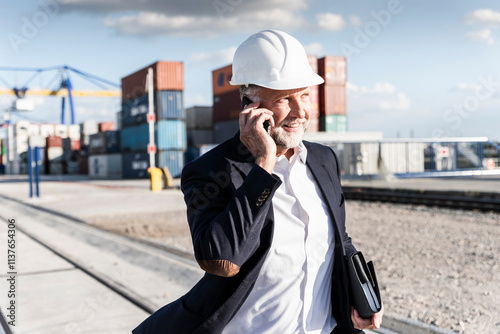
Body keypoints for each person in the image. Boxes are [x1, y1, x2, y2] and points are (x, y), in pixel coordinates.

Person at [133, 29, 384, 334]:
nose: (301, 112)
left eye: (304, 95)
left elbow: (339, 241)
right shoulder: (210, 171)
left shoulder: (323, 160)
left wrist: (356, 301)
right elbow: (220, 258)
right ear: (250, 103)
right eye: (285, 98)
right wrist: (264, 165)